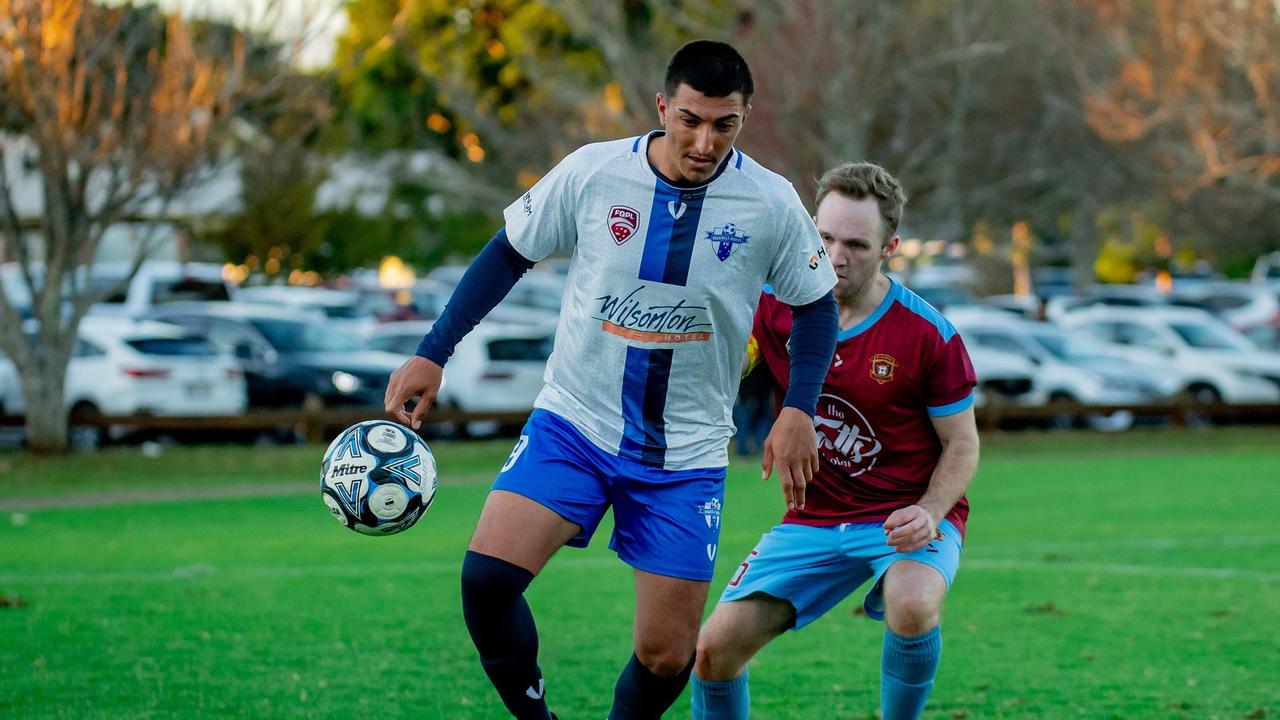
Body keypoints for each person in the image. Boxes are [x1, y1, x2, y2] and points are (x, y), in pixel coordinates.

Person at [383, 40, 838, 720]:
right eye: (689, 119)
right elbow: (507, 254)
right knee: (486, 580)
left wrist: (798, 409)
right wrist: (433, 351)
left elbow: (817, 306)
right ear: (662, 107)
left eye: (724, 124)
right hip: (575, 423)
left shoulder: (770, 203)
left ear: (745, 118)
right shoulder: (595, 173)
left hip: (685, 454)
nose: (704, 140)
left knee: (666, 656)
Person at [690, 162, 981, 720]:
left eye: (856, 244)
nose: (835, 256)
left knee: (914, 604)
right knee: (712, 653)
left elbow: (962, 444)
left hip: (903, 517)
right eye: (823, 238)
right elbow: (725, 365)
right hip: (814, 520)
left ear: (890, 246)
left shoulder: (929, 337)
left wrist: (929, 511)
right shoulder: (775, 306)